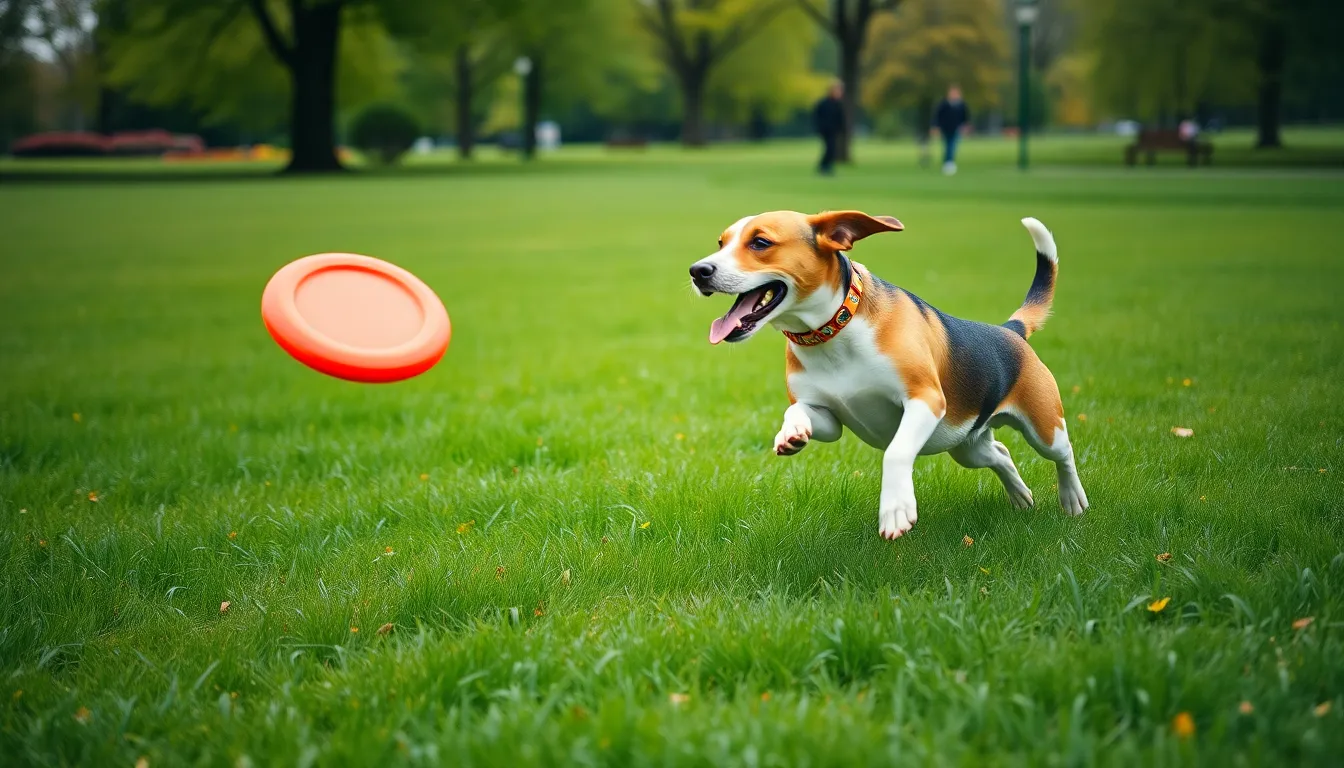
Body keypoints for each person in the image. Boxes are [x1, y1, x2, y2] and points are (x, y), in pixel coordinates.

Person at [933, 85, 970, 175]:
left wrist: (965, 126)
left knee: (952, 145)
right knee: (947, 145)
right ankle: (947, 162)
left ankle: (949, 162)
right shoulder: (944, 104)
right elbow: (938, 116)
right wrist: (936, 126)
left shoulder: (961, 105)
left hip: (956, 128)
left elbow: (965, 117)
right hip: (945, 128)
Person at [813, 81, 845, 175]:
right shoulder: (823, 103)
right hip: (825, 130)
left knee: (832, 149)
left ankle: (826, 166)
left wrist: (840, 128)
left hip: (833, 130)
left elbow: (840, 118)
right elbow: (817, 117)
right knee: (829, 148)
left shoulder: (837, 104)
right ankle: (825, 166)